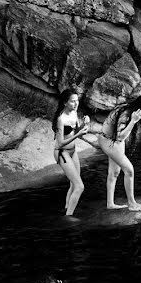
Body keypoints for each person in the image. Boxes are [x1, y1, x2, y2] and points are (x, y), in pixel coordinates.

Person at [52, 88, 90, 216]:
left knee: (74, 184)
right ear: (65, 103)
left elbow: (77, 130)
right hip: (62, 152)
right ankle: (69, 216)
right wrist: (79, 133)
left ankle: (66, 208)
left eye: (77, 101)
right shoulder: (61, 119)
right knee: (80, 186)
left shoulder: (74, 113)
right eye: (72, 101)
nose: (76, 104)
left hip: (73, 151)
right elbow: (61, 142)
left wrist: (84, 125)